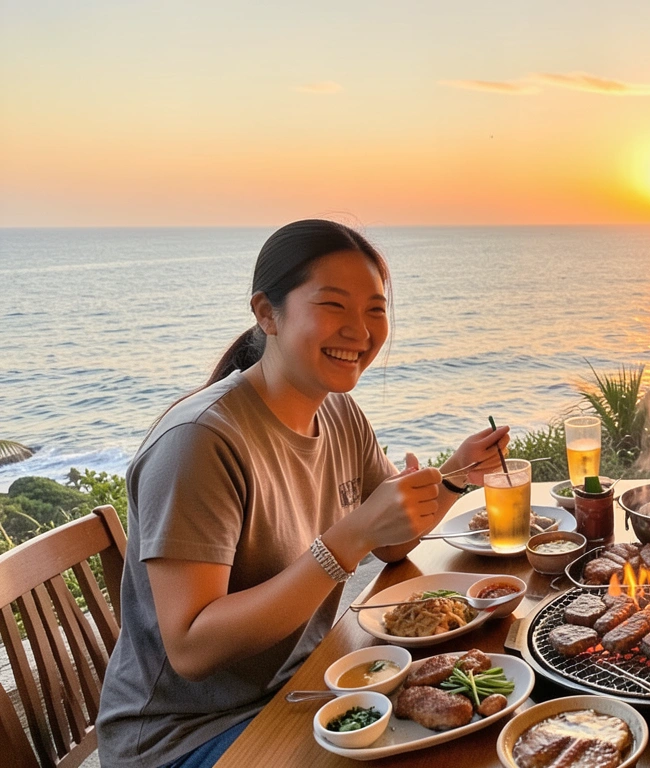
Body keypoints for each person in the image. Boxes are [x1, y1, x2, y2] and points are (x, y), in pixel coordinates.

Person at [97, 220, 510, 768]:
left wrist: (455, 477)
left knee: (488, 717)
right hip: (186, 738)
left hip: (302, 686)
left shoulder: (337, 410)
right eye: (334, 306)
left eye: (376, 310)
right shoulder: (200, 442)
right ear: (267, 312)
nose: (360, 332)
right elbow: (191, 647)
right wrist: (346, 539)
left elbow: (388, 545)